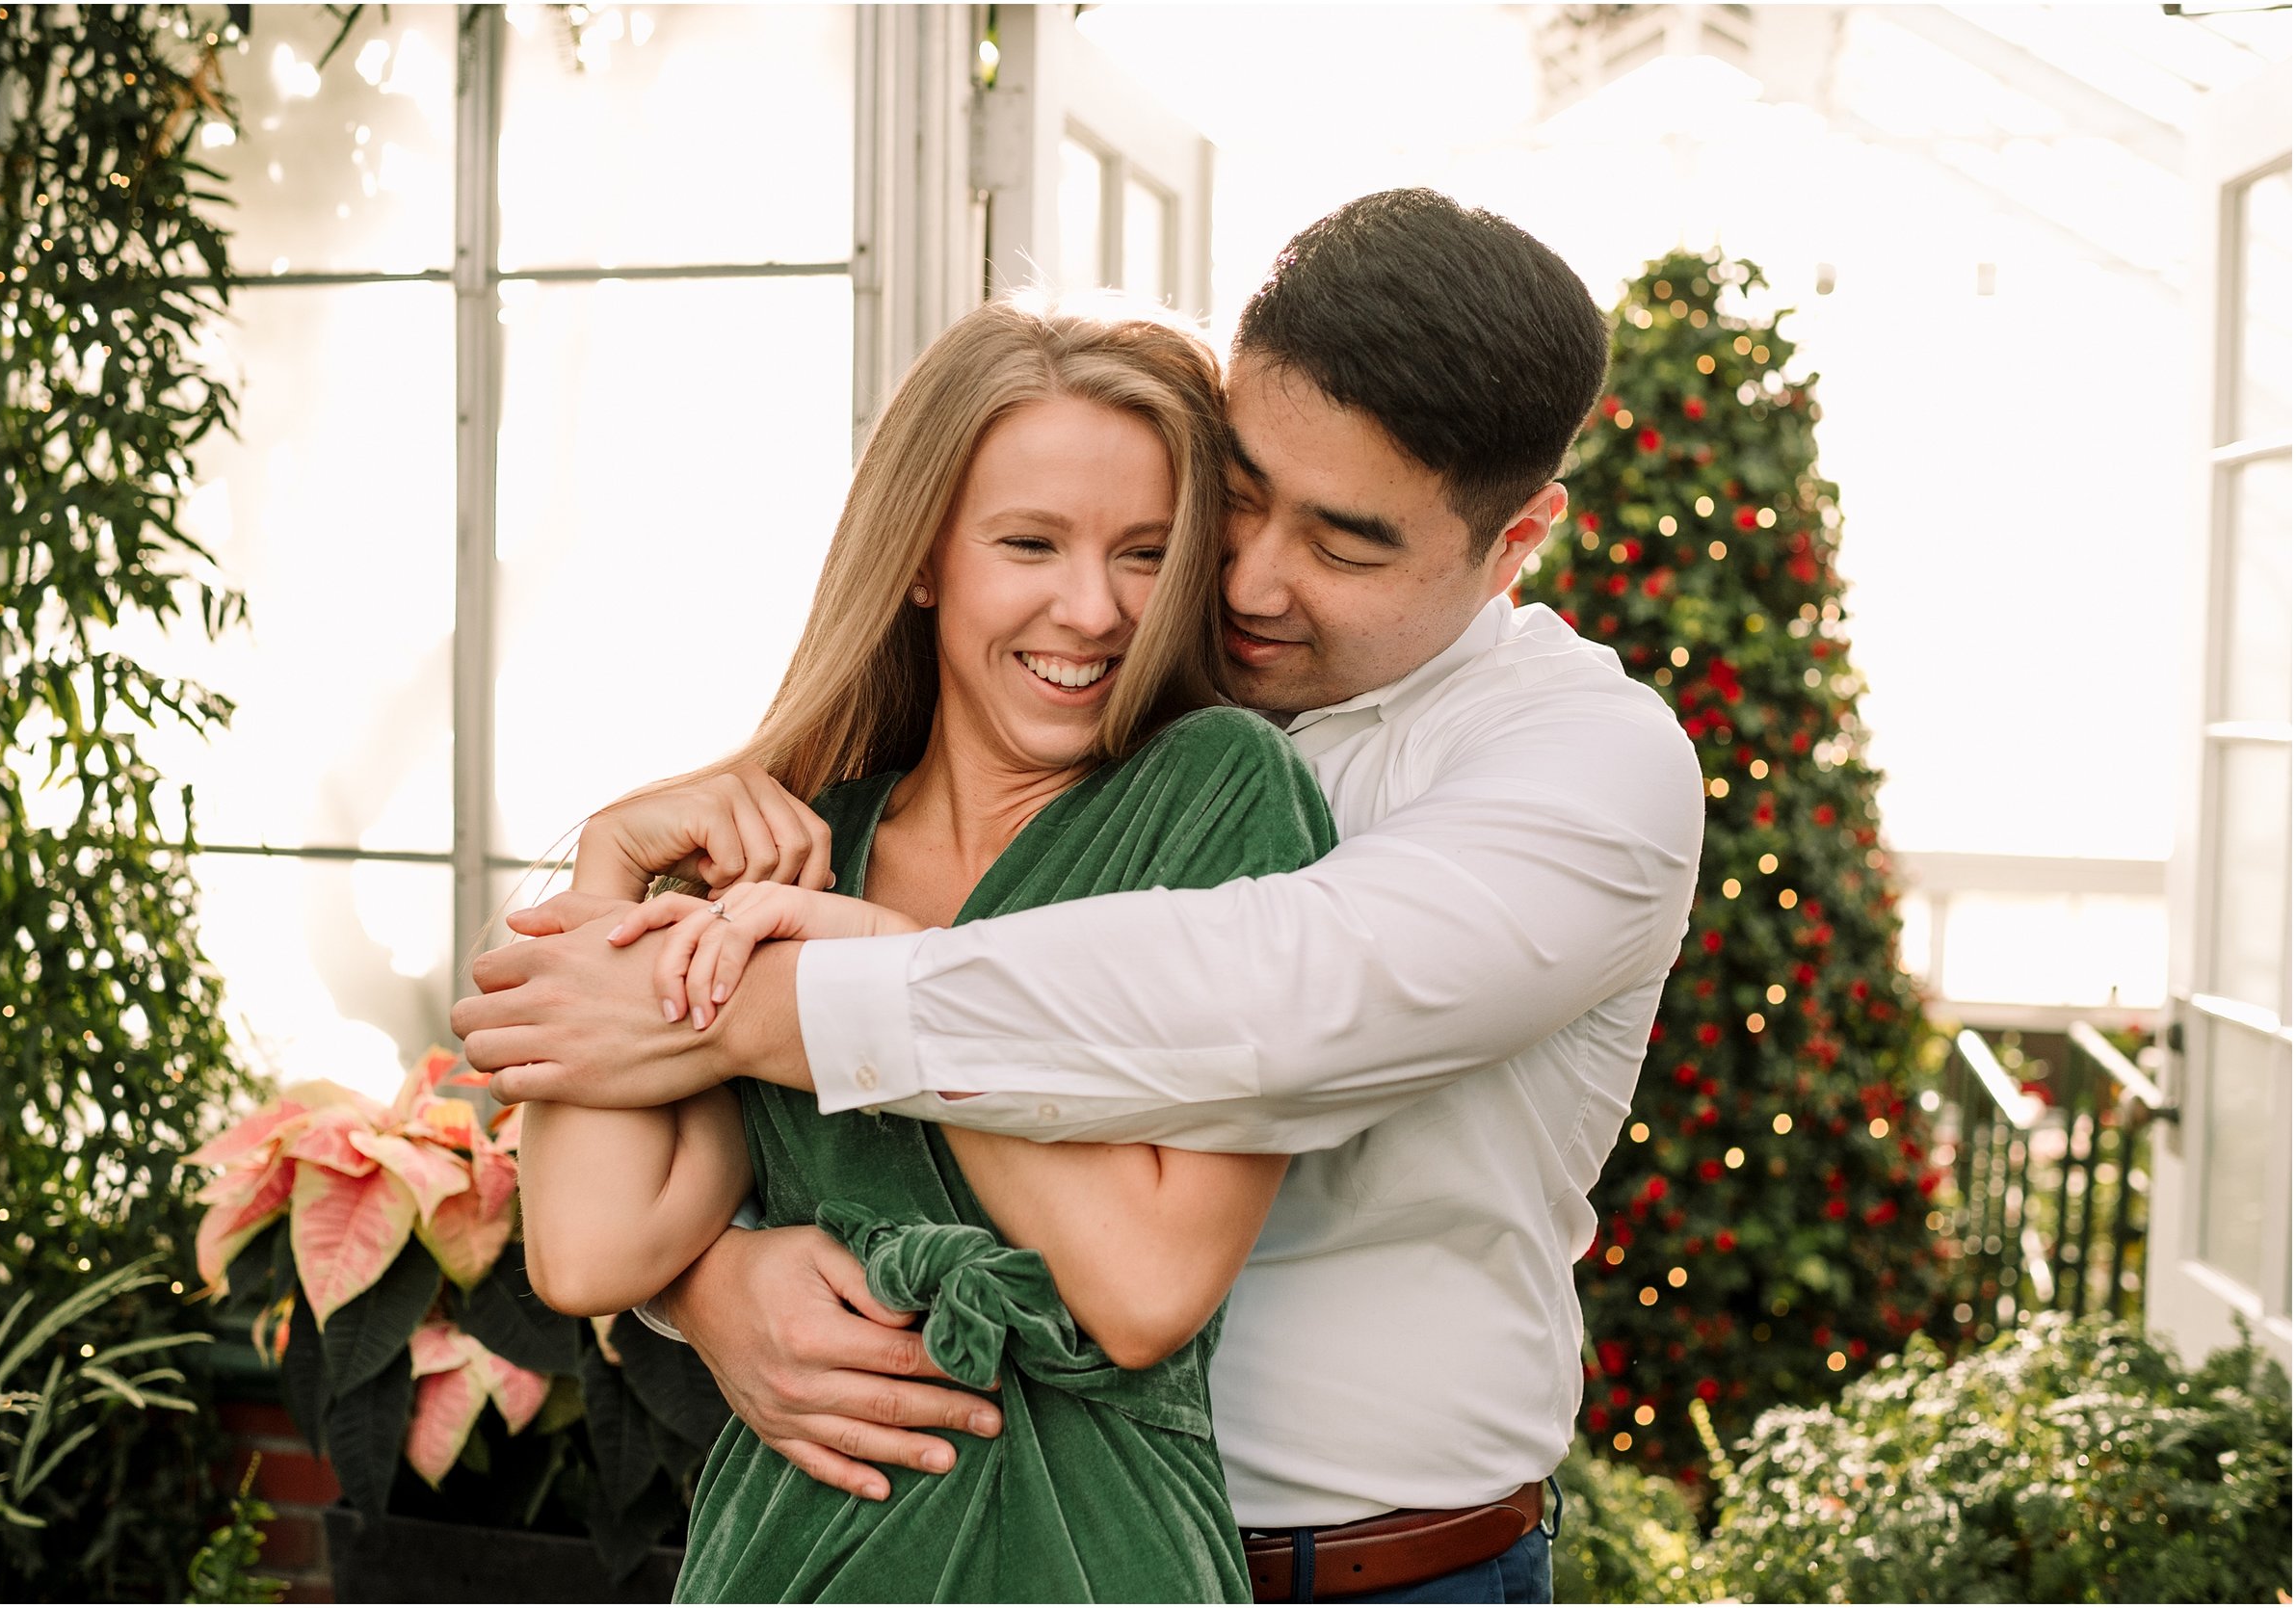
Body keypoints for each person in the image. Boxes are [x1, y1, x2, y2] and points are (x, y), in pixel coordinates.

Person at [459, 190, 1706, 1604]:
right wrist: (712, 1288)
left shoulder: (1582, 770)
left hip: (1358, 1568)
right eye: (1232, 497)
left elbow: (1267, 998)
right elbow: (617, 1227)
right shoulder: (1044, 712)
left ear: (1515, 540)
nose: (1245, 577)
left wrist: (783, 989)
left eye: (1346, 543)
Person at [511, 294, 1336, 1602]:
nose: (1092, 608)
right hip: (795, 1555)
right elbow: (587, 1250)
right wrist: (616, 865)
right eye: (1030, 542)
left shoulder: (1220, 797)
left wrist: (885, 974)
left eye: (1142, 551)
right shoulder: (801, 847)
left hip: (1091, 1554)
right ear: (922, 557)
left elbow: (1142, 1287)